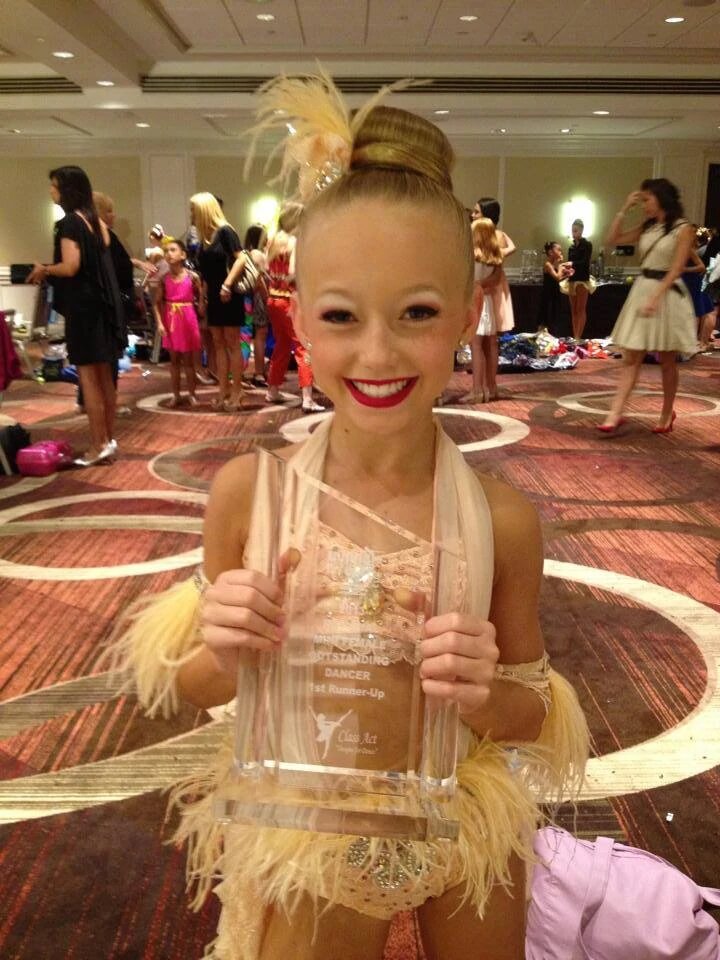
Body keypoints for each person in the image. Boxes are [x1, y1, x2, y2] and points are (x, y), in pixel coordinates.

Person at [112, 72, 588, 960]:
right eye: (341, 316)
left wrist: (485, 692)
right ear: (300, 317)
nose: (376, 352)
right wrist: (227, 649)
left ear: (466, 315)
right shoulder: (252, 497)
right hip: (312, 811)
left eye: (417, 313)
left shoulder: (501, 519)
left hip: (460, 799)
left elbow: (530, 710)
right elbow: (193, 687)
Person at [27, 165, 125, 466]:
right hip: (105, 308)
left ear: (67, 190)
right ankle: (108, 439)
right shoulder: (96, 222)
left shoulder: (70, 222)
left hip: (84, 310)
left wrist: (45, 269)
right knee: (105, 379)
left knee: (89, 380)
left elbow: (71, 266)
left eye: (54, 186)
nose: (51, 191)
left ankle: (98, 445)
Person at [600, 177, 697, 434]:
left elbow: (677, 268)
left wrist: (656, 297)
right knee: (631, 356)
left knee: (667, 360)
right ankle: (614, 413)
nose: (644, 205)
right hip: (642, 289)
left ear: (661, 197)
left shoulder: (683, 228)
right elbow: (612, 239)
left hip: (667, 294)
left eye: (647, 199)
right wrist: (624, 209)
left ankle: (667, 412)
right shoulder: (648, 227)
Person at [265, 202, 324, 412]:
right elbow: (293, 273)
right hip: (290, 300)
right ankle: (307, 398)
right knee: (302, 346)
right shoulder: (295, 242)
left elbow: (266, 268)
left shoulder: (272, 241)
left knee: (281, 345)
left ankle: (272, 389)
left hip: (273, 299)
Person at [191, 192, 247, 411]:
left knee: (232, 343)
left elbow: (241, 258)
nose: (191, 215)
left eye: (193, 210)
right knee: (218, 344)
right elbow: (205, 274)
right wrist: (202, 299)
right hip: (214, 296)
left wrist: (227, 284)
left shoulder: (225, 231)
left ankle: (237, 391)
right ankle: (223, 390)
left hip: (229, 294)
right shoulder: (205, 239)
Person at [471, 198, 515, 399]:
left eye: (477, 212)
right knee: (490, 341)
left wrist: (477, 284)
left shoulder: (486, 239)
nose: (473, 215)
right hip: (491, 289)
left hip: (488, 291)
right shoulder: (495, 240)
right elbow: (510, 250)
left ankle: (482, 388)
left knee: (483, 342)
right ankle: (490, 386)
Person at [457, 216, 503, 404]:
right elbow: (496, 280)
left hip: (476, 300)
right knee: (490, 345)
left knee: (475, 345)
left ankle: (477, 389)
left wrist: (474, 286)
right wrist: (483, 284)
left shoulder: (472, 257)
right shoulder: (494, 258)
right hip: (488, 301)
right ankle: (491, 387)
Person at [153, 239, 203, 407]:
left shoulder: (192, 277)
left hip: (187, 319)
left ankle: (192, 394)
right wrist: (160, 323)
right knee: (174, 361)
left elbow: (201, 297)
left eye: (173, 250)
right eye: (166, 251)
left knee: (189, 360)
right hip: (171, 320)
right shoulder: (164, 279)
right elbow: (156, 302)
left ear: (183, 255)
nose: (169, 253)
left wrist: (201, 307)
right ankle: (176, 394)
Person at [243, 223, 270, 387]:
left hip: (250, 296)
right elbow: (261, 279)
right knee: (261, 334)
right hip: (259, 295)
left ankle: (253, 370)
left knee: (251, 335)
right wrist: (267, 298)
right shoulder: (258, 254)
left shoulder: (247, 253)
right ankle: (259, 372)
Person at [537, 241, 573, 336]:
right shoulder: (548, 264)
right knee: (546, 316)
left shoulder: (554, 264)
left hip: (555, 293)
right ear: (550, 252)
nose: (561, 252)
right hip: (547, 294)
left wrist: (567, 274)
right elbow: (557, 277)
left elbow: (560, 277)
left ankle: (553, 335)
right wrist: (560, 266)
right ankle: (541, 335)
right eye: (559, 250)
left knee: (555, 316)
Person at [566, 219, 594, 341]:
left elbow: (585, 262)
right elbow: (570, 264)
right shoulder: (571, 247)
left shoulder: (587, 245)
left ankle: (578, 336)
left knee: (580, 309)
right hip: (572, 279)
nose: (573, 233)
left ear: (581, 231)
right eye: (572, 231)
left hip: (582, 279)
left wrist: (572, 263)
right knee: (573, 310)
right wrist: (567, 269)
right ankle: (575, 335)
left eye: (576, 231)